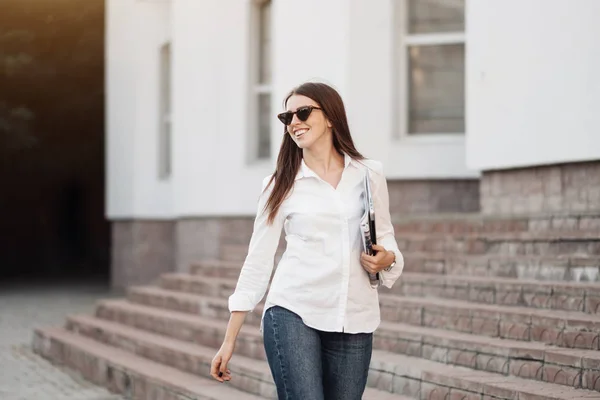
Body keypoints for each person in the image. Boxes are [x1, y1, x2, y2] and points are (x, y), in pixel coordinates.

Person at [210, 81, 404, 399]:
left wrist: (388, 257)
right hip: (293, 310)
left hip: (353, 315)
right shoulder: (279, 184)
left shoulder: (369, 174)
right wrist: (229, 339)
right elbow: (258, 260)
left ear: (330, 117)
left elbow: (385, 235)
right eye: (288, 118)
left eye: (302, 112)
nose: (295, 122)